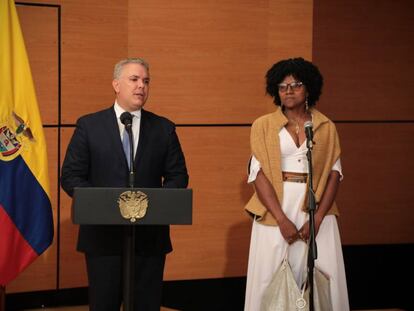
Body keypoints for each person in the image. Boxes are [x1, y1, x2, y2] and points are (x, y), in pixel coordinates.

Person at [61, 58, 189, 311]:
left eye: (146, 81)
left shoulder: (164, 128)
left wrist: (155, 205)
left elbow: (178, 176)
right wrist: (104, 204)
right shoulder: (89, 126)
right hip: (102, 238)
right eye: (134, 79)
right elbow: (71, 176)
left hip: (148, 239)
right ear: (116, 84)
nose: (141, 86)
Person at [243, 57, 349, 310]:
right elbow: (258, 174)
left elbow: (334, 174)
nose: (288, 91)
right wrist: (281, 219)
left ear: (309, 88)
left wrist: (318, 219)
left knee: (322, 275)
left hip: (317, 209)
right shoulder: (263, 125)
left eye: (296, 84)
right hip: (275, 209)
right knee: (270, 276)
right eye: (282, 86)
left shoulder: (325, 126)